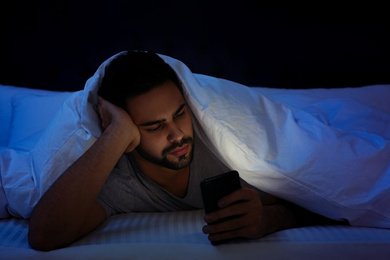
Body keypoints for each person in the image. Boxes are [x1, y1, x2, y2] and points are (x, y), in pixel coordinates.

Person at [28, 51, 335, 251]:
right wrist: (115, 134)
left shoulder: (227, 151)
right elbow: (44, 236)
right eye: (153, 127)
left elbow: (327, 192)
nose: (177, 135)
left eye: (179, 113)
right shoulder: (119, 181)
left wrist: (272, 218)